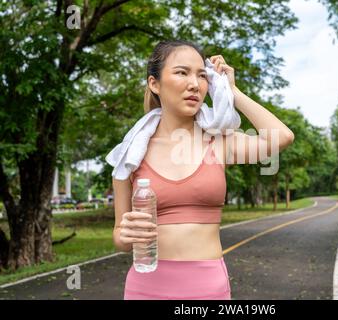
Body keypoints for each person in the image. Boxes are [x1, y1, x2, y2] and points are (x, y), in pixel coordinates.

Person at [112, 39, 295, 300]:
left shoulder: (218, 143)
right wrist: (126, 235)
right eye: (181, 72)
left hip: (208, 289)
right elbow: (120, 237)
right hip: (145, 288)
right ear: (154, 84)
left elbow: (281, 137)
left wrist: (232, 91)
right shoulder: (130, 155)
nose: (194, 84)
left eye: (202, 75)